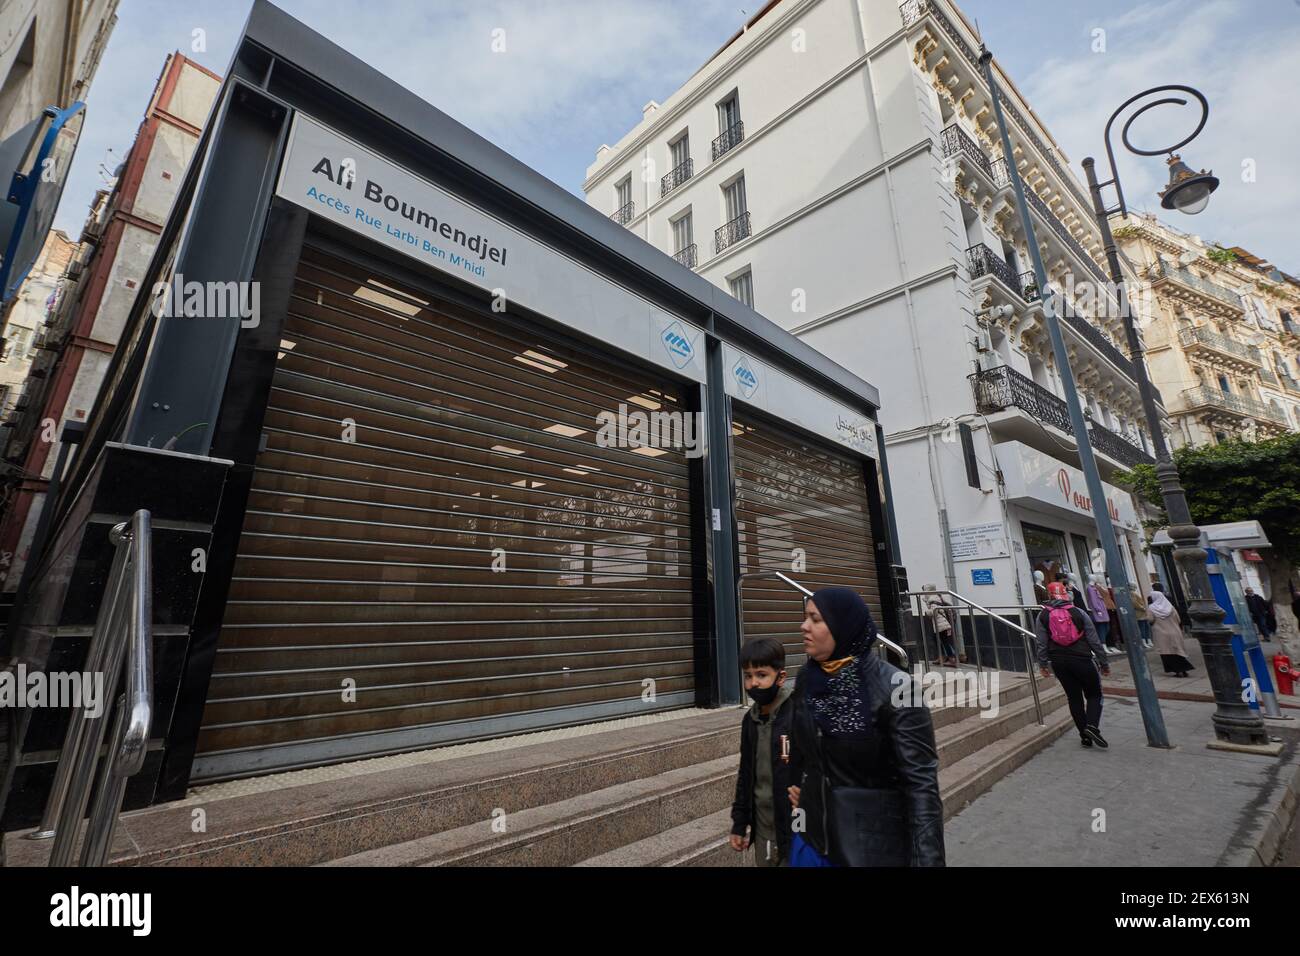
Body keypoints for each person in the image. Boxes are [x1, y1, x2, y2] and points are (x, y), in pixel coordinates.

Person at [786, 586, 945, 867]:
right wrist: (803, 787)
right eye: (805, 617)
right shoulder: (807, 679)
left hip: (869, 848)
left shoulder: (896, 688)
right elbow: (803, 747)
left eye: (815, 619)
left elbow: (921, 787)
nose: (804, 626)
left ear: (842, 625)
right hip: (811, 841)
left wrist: (927, 861)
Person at [729, 636, 797, 867]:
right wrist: (739, 823)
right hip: (764, 829)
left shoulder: (797, 713)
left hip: (797, 827)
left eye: (761, 675)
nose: (753, 683)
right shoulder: (750, 720)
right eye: (748, 676)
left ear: (781, 677)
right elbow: (746, 772)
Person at [1034, 581, 1111, 748]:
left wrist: (1043, 664)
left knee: (1074, 697)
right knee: (1094, 694)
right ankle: (1092, 726)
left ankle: (1084, 735)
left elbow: (1041, 643)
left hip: (1059, 661)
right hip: (1082, 659)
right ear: (1065, 594)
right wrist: (1103, 662)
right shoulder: (1079, 612)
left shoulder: (1043, 615)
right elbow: (1094, 641)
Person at [1149, 584, 1194, 678]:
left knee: (1167, 653)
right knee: (1178, 651)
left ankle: (1178, 671)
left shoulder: (1152, 608)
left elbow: (1150, 619)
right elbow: (1178, 619)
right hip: (1175, 631)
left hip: (1161, 633)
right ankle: (1184, 670)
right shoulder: (1170, 607)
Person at [920, 583, 960, 666]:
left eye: (925, 590)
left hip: (941, 624)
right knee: (940, 640)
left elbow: (934, 611)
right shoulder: (936, 596)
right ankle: (943, 656)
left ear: (928, 590)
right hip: (941, 623)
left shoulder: (933, 598)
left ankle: (951, 658)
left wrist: (926, 612)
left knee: (943, 641)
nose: (924, 592)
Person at [1086, 575, 1116, 655]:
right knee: (1102, 628)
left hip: (1103, 608)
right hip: (1099, 610)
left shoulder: (1095, 587)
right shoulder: (1090, 588)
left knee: (1106, 627)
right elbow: (1093, 600)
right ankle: (1103, 645)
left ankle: (1103, 644)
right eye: (1094, 577)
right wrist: (1098, 609)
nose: (1096, 578)